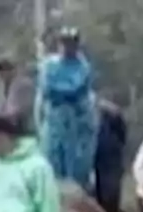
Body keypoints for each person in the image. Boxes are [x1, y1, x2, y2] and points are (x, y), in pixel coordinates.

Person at [39, 27, 98, 191]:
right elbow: (47, 88)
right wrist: (64, 92)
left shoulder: (83, 66)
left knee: (77, 162)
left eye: (71, 43)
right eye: (64, 42)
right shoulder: (50, 64)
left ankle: (76, 191)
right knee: (52, 158)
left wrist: (62, 92)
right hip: (54, 120)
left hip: (76, 121)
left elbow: (78, 89)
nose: (67, 47)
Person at [93, 97, 128, 212]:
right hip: (114, 153)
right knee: (113, 181)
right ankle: (112, 209)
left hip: (102, 155)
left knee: (102, 180)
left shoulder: (98, 123)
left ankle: (103, 207)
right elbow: (123, 134)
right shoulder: (116, 116)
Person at [0, 57, 37, 136]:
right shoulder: (2, 88)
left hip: (26, 129)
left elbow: (23, 109)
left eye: (5, 70)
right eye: (0, 70)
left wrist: (6, 117)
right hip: (9, 130)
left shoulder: (24, 85)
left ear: (13, 70)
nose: (2, 73)